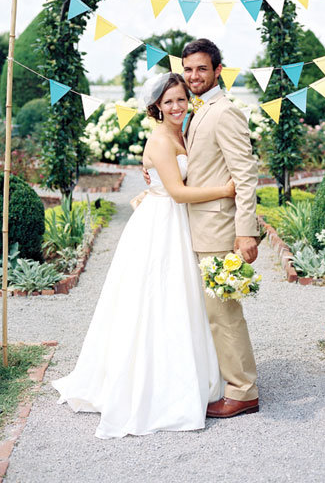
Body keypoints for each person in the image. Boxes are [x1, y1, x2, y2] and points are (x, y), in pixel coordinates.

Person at [52, 72, 236, 438]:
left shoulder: (183, 130)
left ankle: (193, 371)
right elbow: (178, 192)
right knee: (157, 298)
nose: (176, 106)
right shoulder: (161, 140)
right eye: (168, 102)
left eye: (181, 99)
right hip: (161, 224)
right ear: (156, 106)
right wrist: (226, 189)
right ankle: (155, 385)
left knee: (184, 298)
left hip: (177, 221)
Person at [145, 38, 260, 418]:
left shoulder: (224, 112)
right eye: (189, 68)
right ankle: (220, 378)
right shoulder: (194, 112)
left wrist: (246, 231)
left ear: (217, 72)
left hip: (218, 228)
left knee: (224, 312)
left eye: (202, 69)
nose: (194, 76)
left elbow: (245, 175)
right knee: (208, 313)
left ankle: (243, 391)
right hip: (190, 226)